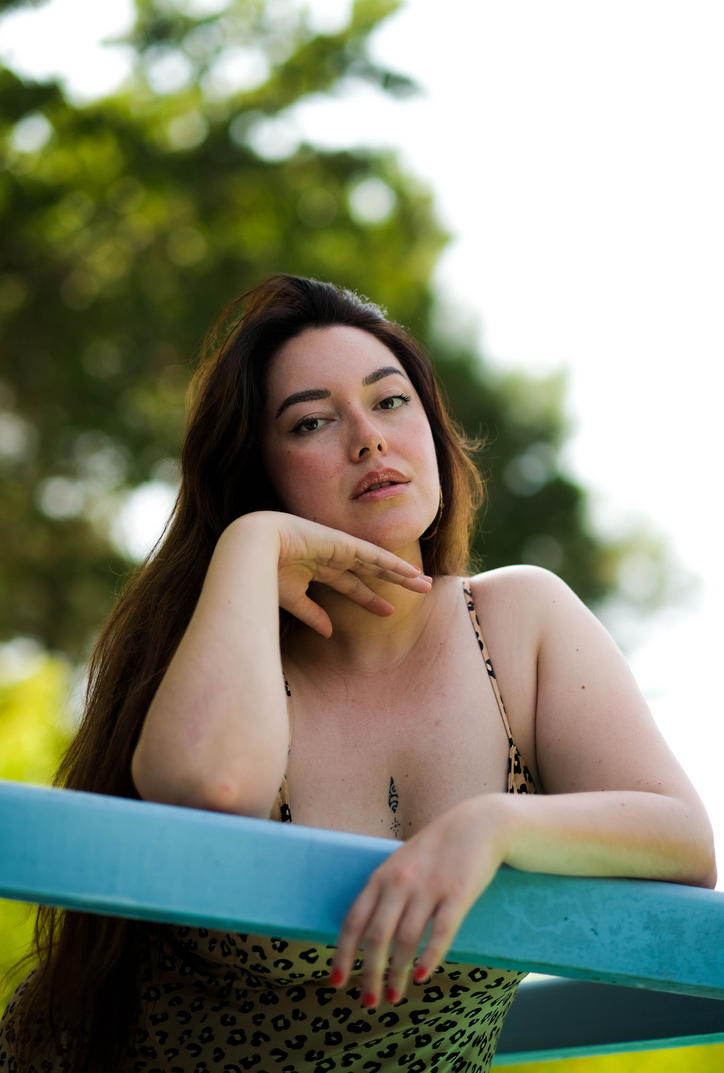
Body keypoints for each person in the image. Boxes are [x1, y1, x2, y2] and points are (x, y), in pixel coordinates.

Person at [0, 273, 716, 1073]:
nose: (369, 438)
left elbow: (683, 840)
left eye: (390, 401)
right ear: (257, 475)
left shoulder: (517, 621)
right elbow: (207, 788)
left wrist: (495, 825)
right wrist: (253, 546)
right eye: (312, 421)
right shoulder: (229, 658)